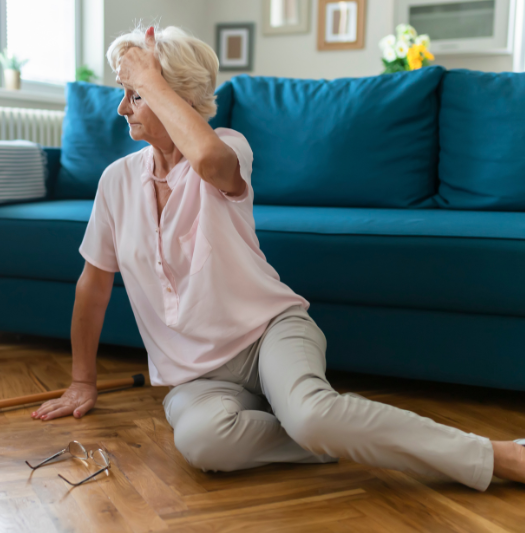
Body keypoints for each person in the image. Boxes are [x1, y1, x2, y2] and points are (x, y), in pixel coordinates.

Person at [31, 25, 525, 491]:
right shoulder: (116, 182)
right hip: (194, 376)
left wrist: (150, 79)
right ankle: (339, 433)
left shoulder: (228, 147)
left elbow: (206, 161)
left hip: (269, 333)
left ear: (171, 92)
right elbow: (92, 285)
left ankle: (496, 455)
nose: (122, 108)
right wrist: (81, 381)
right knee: (203, 443)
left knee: (310, 415)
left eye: (134, 94)